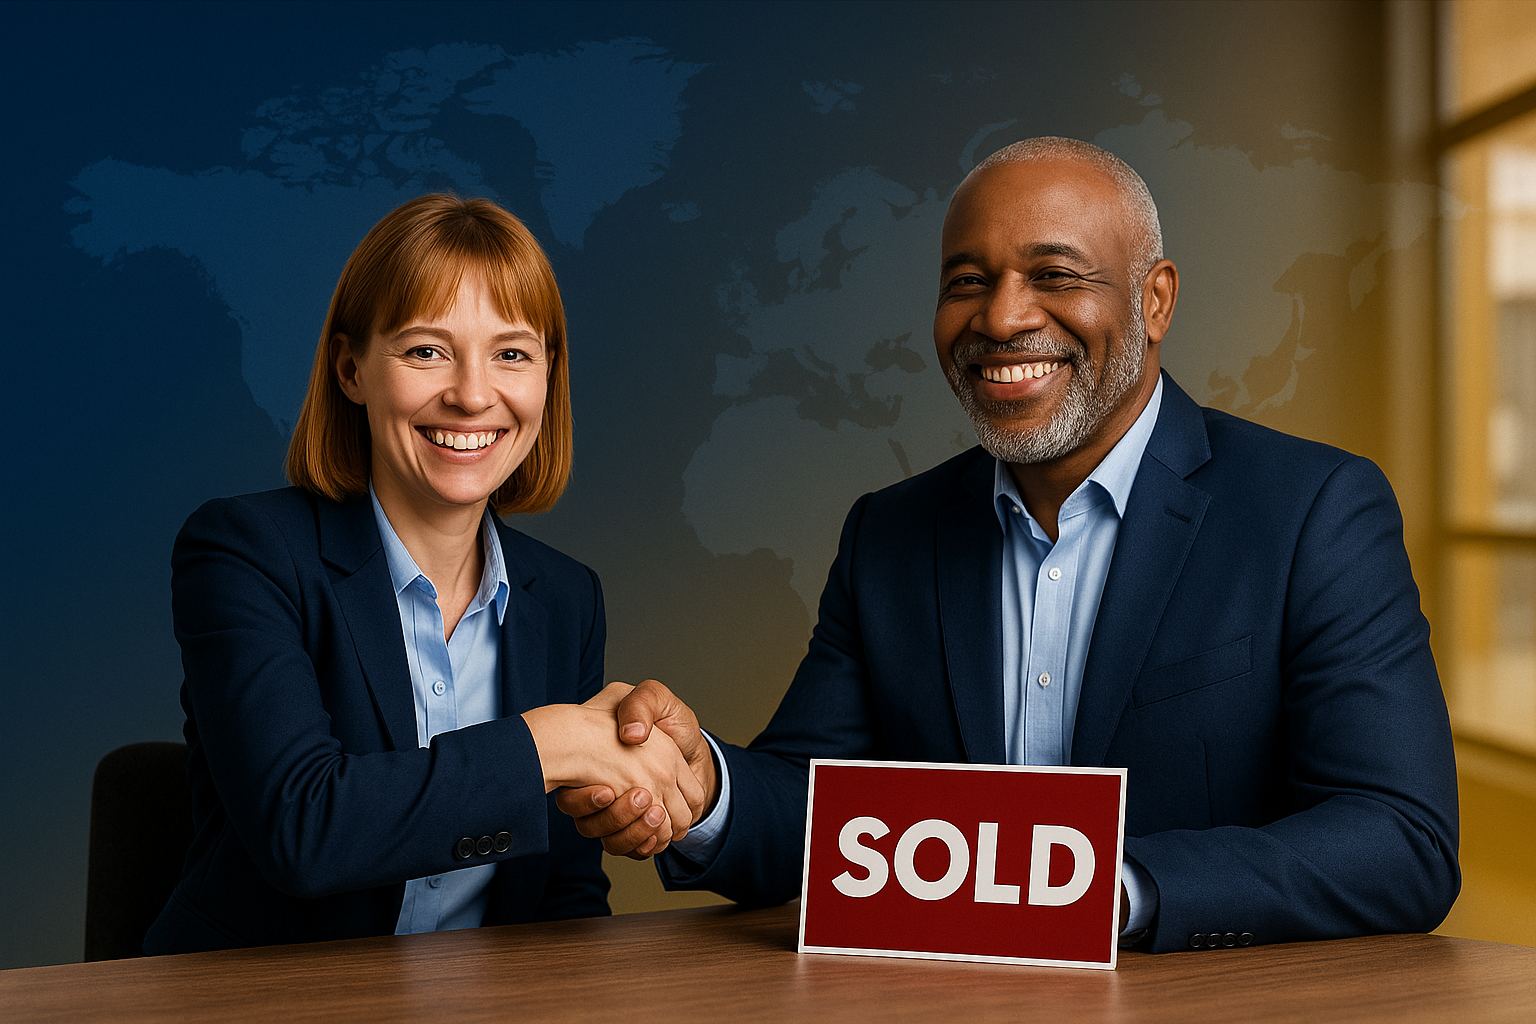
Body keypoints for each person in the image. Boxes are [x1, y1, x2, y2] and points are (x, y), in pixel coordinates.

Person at [556, 138, 1462, 953]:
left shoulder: (1312, 509)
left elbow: (1399, 837)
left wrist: (1106, 892)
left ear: (1155, 300)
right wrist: (700, 787)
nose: (999, 319)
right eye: (965, 281)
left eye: (1055, 274)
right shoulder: (891, 534)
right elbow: (822, 811)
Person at [144, 195, 702, 953]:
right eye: (426, 351)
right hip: (264, 1001)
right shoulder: (246, 550)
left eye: (512, 353)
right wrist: (550, 746)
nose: (473, 395)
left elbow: (562, 895)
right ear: (351, 369)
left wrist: (619, 800)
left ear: (548, 376)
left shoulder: (566, 598)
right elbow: (303, 828)